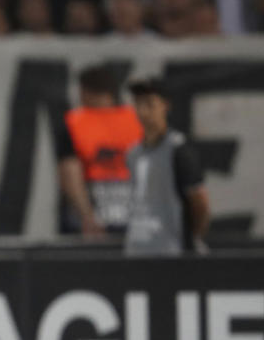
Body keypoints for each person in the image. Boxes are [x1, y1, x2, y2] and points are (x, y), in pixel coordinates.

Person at [124, 77, 210, 256]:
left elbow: (199, 202)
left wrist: (191, 238)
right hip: (137, 249)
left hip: (171, 251)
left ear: (165, 105)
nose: (143, 111)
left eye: (150, 104)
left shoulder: (178, 150)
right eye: (138, 104)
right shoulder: (133, 153)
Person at [56, 64, 143, 237]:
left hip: (90, 215)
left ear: (85, 91)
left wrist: (86, 216)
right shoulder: (137, 120)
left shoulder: (75, 122)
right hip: (133, 214)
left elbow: (70, 172)